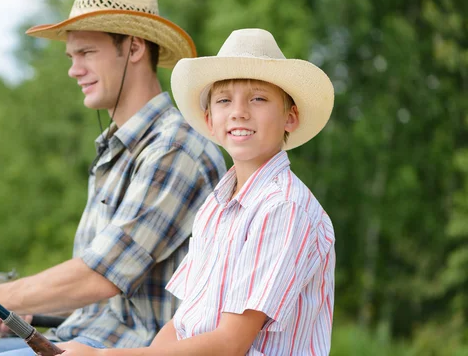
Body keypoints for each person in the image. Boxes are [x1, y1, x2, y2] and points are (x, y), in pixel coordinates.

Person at [0, 0, 226, 355]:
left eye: (87, 53)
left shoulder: (176, 148)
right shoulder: (117, 150)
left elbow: (100, 275)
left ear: (134, 47)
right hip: (78, 338)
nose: (73, 69)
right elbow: (97, 293)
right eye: (72, 56)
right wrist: (22, 307)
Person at [59, 28, 336, 355]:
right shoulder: (215, 207)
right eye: (223, 100)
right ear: (209, 120)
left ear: (290, 117)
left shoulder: (283, 207)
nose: (239, 112)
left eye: (258, 98)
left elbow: (231, 343)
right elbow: (183, 323)